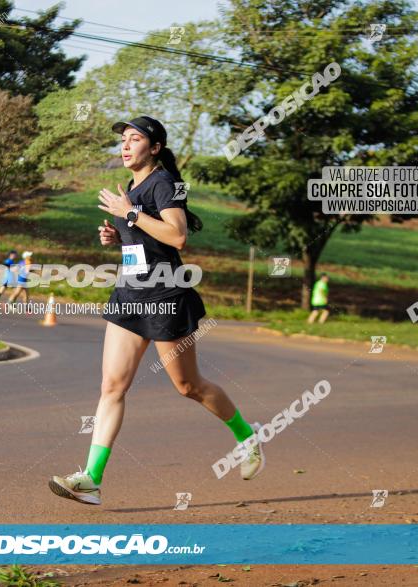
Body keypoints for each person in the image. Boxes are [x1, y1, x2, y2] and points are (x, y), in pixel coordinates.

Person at [48, 116, 265, 506]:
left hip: (165, 296)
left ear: (156, 148)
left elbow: (177, 235)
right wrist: (118, 236)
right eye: (124, 140)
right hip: (130, 295)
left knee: (189, 387)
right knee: (112, 386)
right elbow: (146, 241)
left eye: (135, 139)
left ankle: (247, 437)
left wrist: (129, 214)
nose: (126, 146)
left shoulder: (163, 183)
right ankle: (91, 479)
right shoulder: (131, 187)